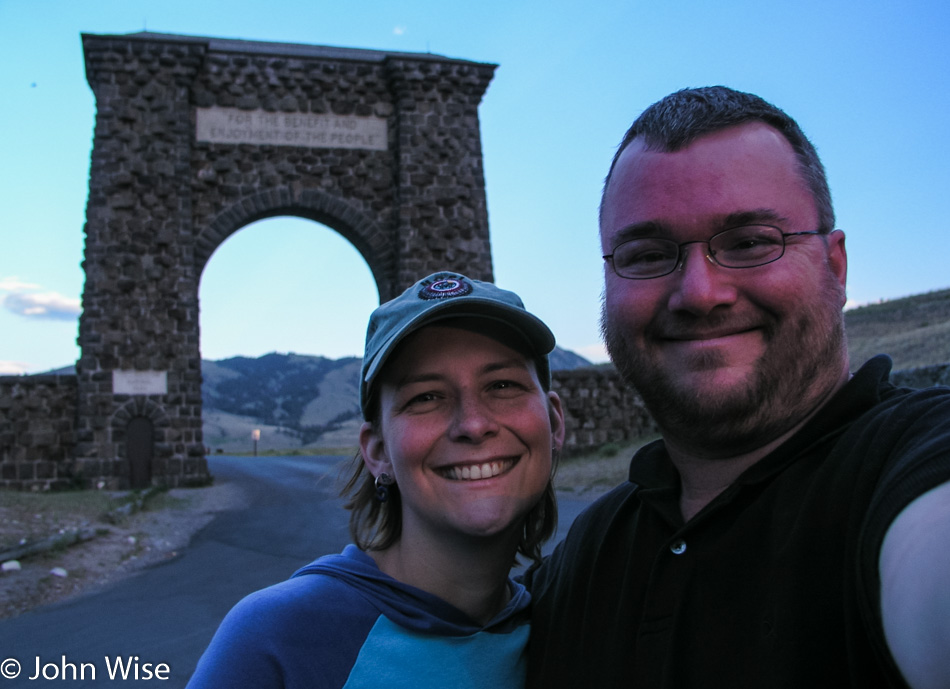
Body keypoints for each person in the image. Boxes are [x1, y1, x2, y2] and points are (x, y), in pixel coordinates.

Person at [524, 86, 950, 689]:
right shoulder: (586, 553)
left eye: (750, 242)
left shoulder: (913, 466)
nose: (699, 293)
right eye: (647, 255)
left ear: (835, 266)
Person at [188, 271, 565, 689]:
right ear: (378, 452)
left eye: (502, 384)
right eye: (426, 396)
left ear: (552, 422)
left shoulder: (582, 628)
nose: (473, 424)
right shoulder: (275, 640)